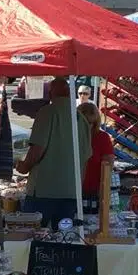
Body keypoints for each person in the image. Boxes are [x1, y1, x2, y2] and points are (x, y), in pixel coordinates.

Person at [14, 79, 90, 228]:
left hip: (44, 190)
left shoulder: (47, 113)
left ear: (50, 94)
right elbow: (86, 158)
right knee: (64, 238)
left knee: (32, 236)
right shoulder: (81, 119)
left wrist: (24, 167)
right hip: (71, 191)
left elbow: (38, 149)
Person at [78, 100, 113, 214]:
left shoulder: (102, 138)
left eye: (91, 122)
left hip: (93, 192)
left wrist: (103, 191)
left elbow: (108, 166)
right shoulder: (71, 137)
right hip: (71, 190)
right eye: (85, 122)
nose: (89, 126)